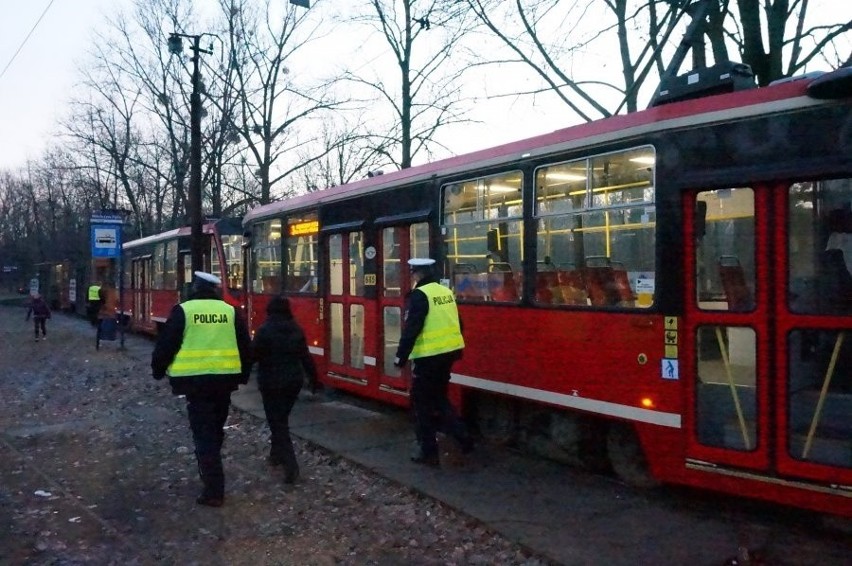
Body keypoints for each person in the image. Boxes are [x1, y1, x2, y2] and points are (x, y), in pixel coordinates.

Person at [151, 271, 251, 507]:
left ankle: (214, 490)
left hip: (195, 384)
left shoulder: (184, 311)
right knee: (215, 429)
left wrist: (158, 370)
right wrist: (244, 375)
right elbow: (245, 346)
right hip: (225, 382)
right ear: (214, 289)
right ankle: (211, 467)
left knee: (204, 434)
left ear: (194, 288)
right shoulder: (230, 311)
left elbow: (167, 344)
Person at [394, 258, 474, 466]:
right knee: (439, 398)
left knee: (421, 406)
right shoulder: (445, 292)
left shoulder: (420, 295)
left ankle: (428, 451)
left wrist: (400, 358)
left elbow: (412, 329)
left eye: (412, 273)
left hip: (428, 358)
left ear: (417, 274)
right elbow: (459, 323)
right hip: (448, 355)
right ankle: (463, 436)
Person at [251, 295, 318, 484]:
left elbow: (253, 355)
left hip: (271, 382)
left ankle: (291, 466)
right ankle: (276, 455)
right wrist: (314, 380)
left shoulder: (264, 330)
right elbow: (305, 357)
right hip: (293, 382)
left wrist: (239, 375)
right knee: (280, 418)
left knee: (278, 423)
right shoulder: (296, 329)